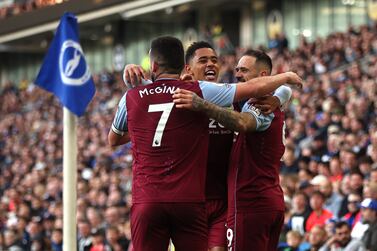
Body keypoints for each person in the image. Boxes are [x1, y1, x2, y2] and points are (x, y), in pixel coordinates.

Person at [109, 37, 302, 251]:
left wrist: (281, 93)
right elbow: (152, 93)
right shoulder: (179, 95)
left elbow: (260, 93)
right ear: (187, 68)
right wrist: (130, 68)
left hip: (221, 203)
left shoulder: (227, 98)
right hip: (189, 199)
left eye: (214, 60)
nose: (211, 64)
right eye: (203, 61)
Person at [172, 49, 296, 251]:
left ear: (263, 77)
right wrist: (280, 96)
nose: (237, 74)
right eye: (237, 69)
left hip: (249, 201)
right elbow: (285, 90)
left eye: (244, 70)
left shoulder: (258, 104)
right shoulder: (260, 100)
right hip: (267, 198)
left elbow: (242, 122)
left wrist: (201, 104)